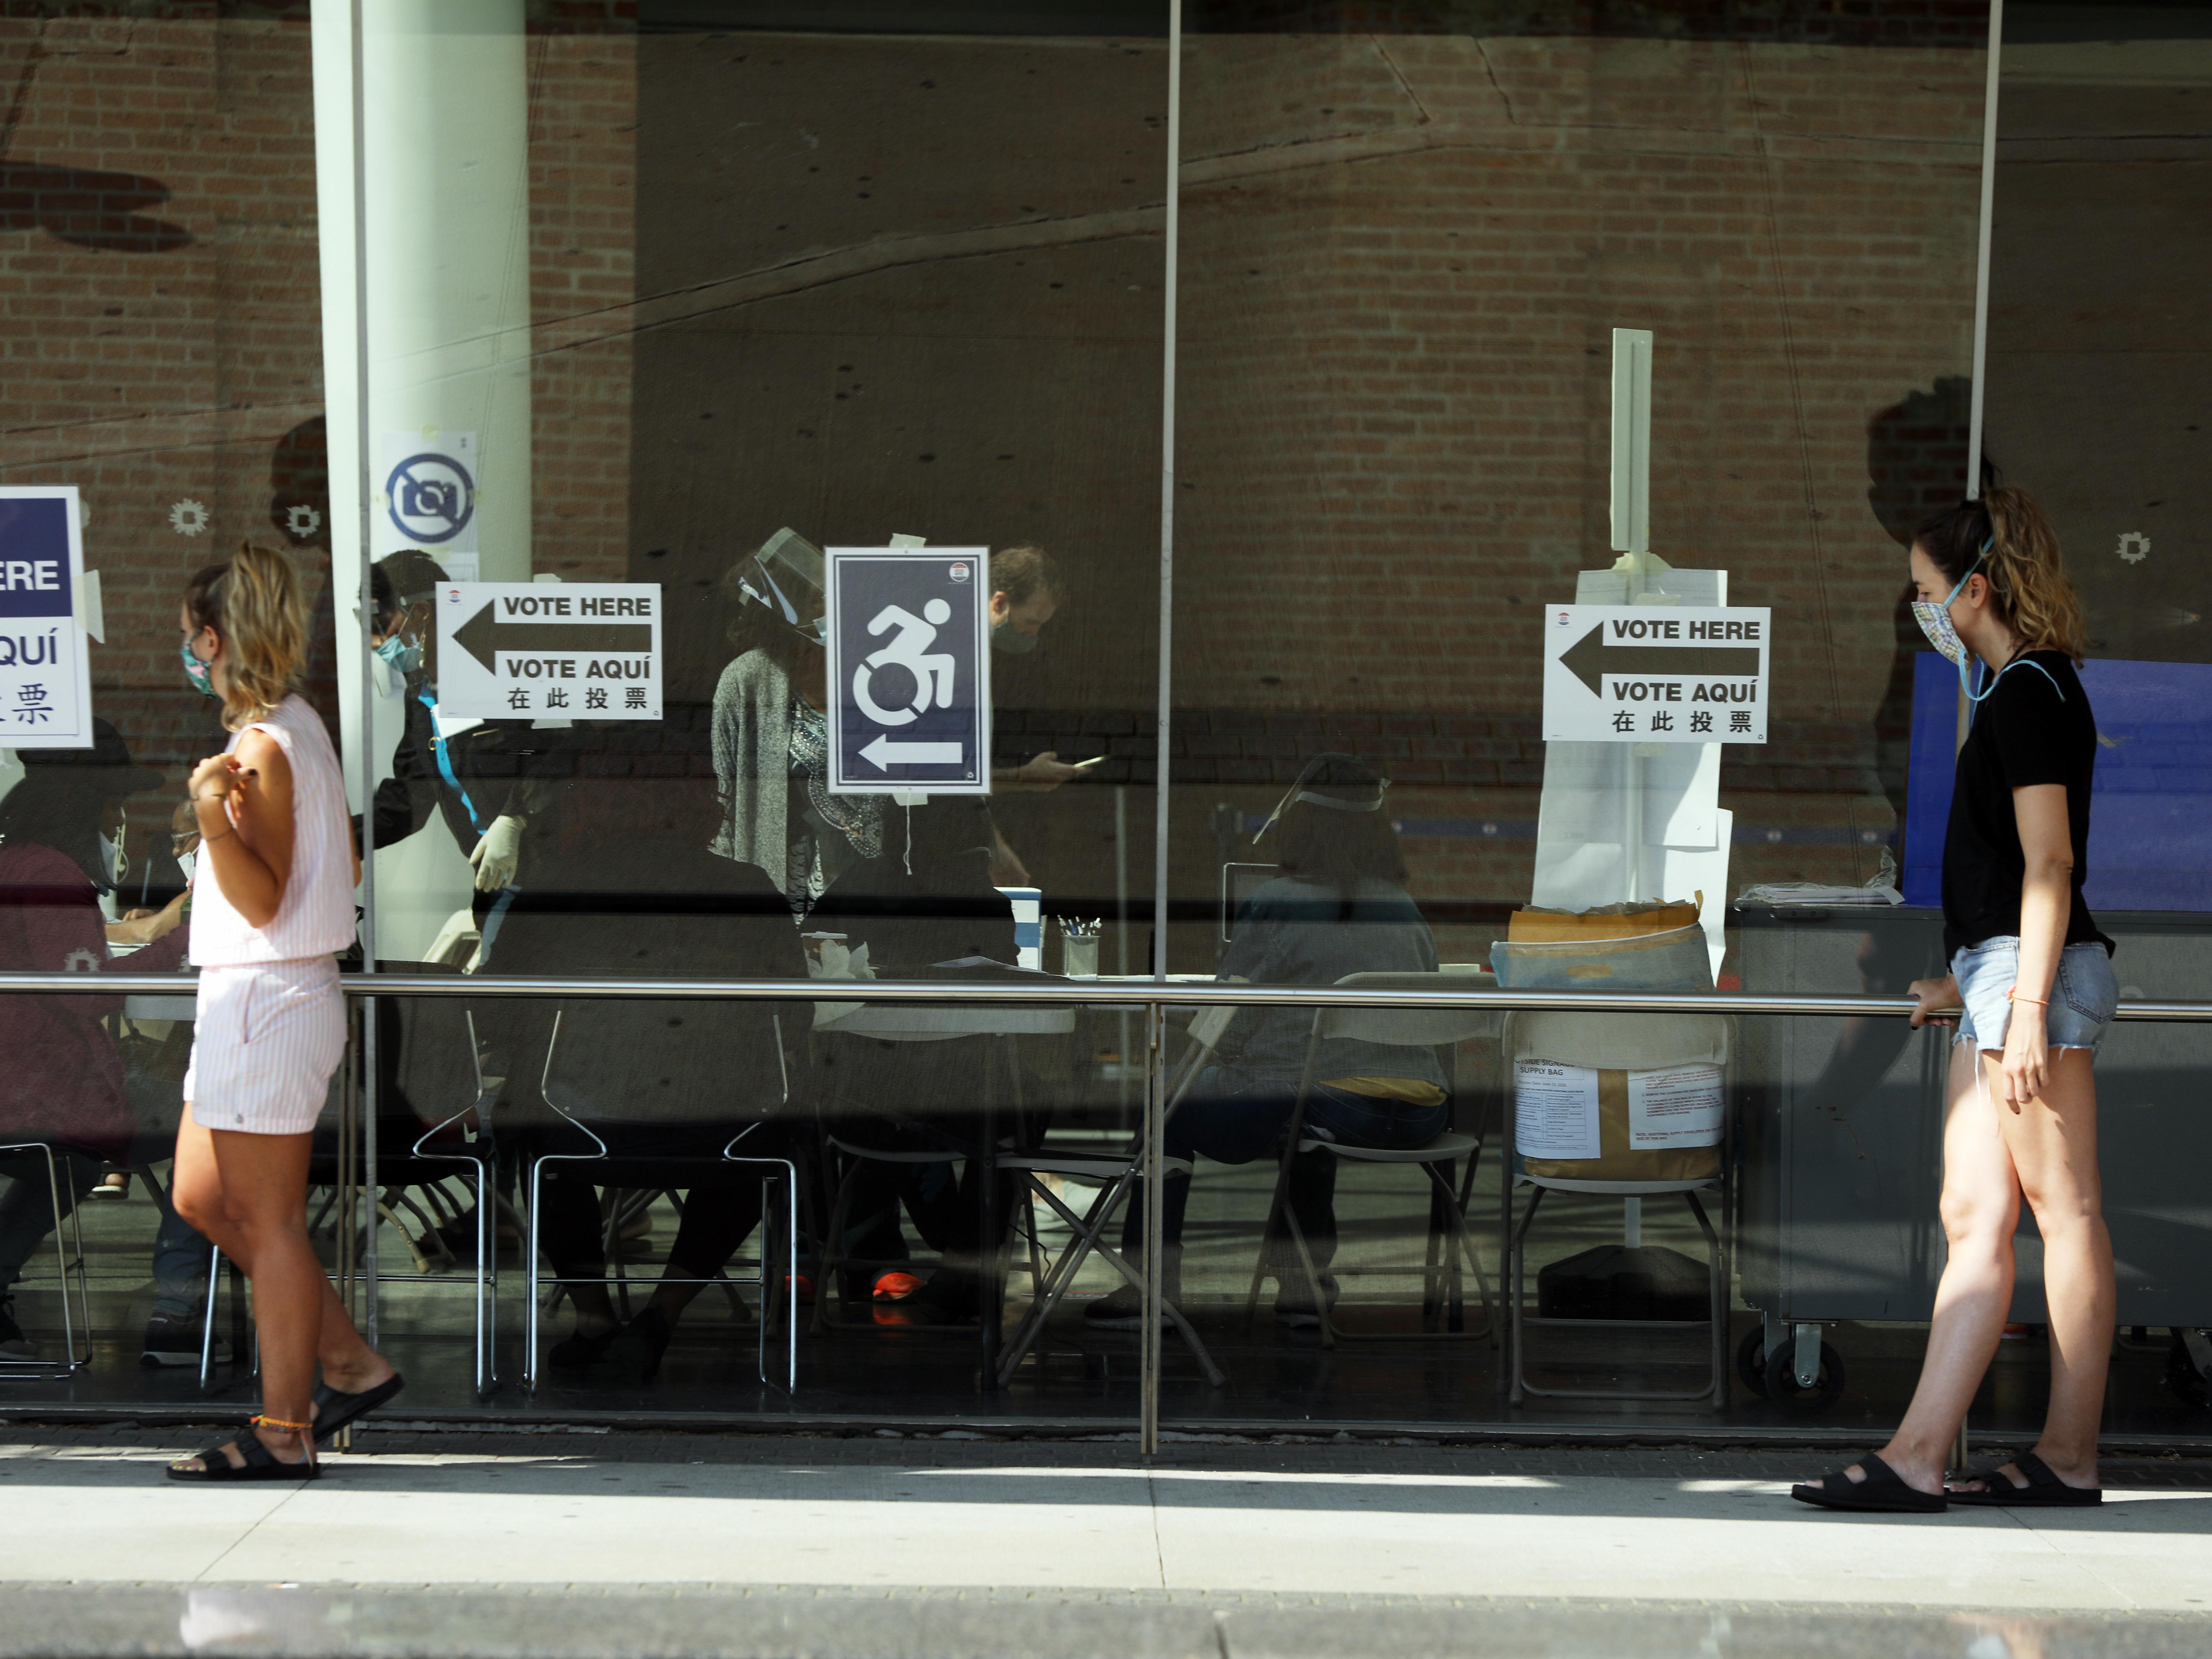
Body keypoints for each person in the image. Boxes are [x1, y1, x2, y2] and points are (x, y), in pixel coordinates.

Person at [1793, 486, 2117, 1514]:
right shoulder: (2031, 687)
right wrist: (1970, 979)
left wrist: (2020, 1003)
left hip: (2033, 978)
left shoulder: (2027, 691)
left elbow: (2051, 864)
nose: (1922, 611)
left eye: (1927, 592)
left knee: (2064, 1215)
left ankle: (2059, 1456)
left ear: (1975, 588)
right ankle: (1923, 1453)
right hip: (2010, 972)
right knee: (1974, 1212)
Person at [163, 543, 401, 1481]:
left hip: (267, 992)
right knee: (200, 1196)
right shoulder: (296, 726)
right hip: (252, 995)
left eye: (190, 637)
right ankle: (348, 1361)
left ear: (215, 639)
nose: (187, 651)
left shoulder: (259, 748)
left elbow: (263, 899)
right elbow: (334, 868)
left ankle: (284, 1427)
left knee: (269, 1224)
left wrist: (211, 815)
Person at [1086, 754, 1446, 1329]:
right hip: (1421, 1114)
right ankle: (1304, 1287)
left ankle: (1147, 1288)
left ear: (1301, 827)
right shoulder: (1404, 908)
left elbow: (1228, 1020)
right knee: (1309, 1106)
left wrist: (1188, 1031)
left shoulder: (1280, 899)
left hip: (1332, 1104)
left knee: (1172, 1106)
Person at [493, 763, 807, 1383]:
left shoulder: (553, 887)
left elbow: (501, 1011)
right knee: (768, 1141)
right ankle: (662, 1313)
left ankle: (593, 1317)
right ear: (702, 808)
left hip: (576, 1123)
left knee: (530, 1127)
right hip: (719, 1125)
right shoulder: (745, 887)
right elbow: (794, 1011)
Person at [0, 723, 190, 1359]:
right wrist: (181, 942)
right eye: (114, 803)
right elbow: (87, 992)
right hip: (43, 1096)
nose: (121, 819)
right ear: (85, 805)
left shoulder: (16, 861)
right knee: (206, 1123)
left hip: (25, 1091)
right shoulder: (53, 873)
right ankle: (182, 1310)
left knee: (70, 1167)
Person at [363, 549, 546, 958]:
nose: (375, 641)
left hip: (557, 878)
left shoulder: (503, 668)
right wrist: (336, 840)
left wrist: (515, 816)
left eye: (380, 622)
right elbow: (409, 800)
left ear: (422, 613)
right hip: (494, 881)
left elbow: (559, 750)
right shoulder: (423, 694)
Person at [710, 528, 888, 918]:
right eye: (818, 599)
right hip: (791, 896)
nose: (837, 607)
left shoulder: (879, 672)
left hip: (879, 893)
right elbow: (724, 804)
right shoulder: (747, 681)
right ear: (784, 613)